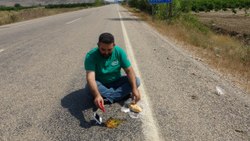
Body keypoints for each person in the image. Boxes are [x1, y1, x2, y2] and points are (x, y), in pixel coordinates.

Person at [84, 32, 141, 110]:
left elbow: (129, 70)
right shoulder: (91, 56)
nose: (106, 52)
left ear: (114, 45)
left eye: (109, 50)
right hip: (100, 83)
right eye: (103, 49)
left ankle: (107, 98)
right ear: (98, 45)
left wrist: (134, 88)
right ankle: (119, 95)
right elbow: (90, 78)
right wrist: (97, 95)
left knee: (136, 81)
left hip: (116, 81)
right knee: (88, 88)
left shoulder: (119, 52)